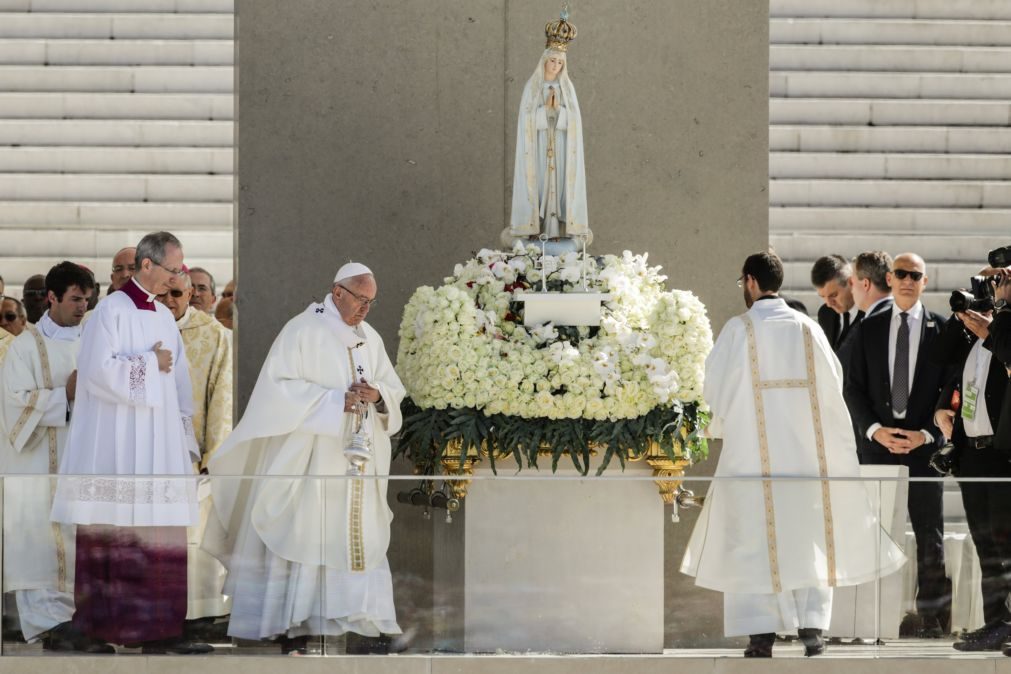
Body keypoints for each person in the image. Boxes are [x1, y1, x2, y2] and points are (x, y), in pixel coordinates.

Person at [681, 251, 905, 658]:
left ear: (750, 281)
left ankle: (760, 635)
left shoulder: (739, 329)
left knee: (753, 541)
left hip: (752, 461)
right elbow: (835, 392)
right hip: (807, 462)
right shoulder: (809, 329)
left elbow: (712, 392)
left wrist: (716, 428)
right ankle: (812, 629)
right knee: (808, 539)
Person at [207, 262, 405, 654]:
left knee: (355, 536)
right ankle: (297, 621)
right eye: (360, 299)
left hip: (357, 462)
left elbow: (392, 387)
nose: (365, 308)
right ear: (337, 292)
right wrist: (334, 401)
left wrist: (377, 396)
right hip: (312, 457)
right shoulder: (303, 330)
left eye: (371, 301)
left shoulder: (370, 337)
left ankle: (358, 620)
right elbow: (277, 389)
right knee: (306, 533)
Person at [49, 232, 210, 654]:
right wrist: (147, 363)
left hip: (157, 446)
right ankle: (101, 628)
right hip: (118, 444)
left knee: (161, 536)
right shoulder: (110, 312)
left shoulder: (161, 314)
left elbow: (178, 383)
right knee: (115, 534)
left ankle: (161, 630)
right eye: (173, 269)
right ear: (146, 265)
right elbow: (97, 373)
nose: (178, 277)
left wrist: (183, 439)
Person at [844, 253, 952, 637]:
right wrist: (875, 430)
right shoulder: (868, 328)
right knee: (871, 531)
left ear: (925, 281)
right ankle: (869, 616)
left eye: (916, 275)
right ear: (890, 278)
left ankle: (931, 618)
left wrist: (926, 434)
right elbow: (851, 386)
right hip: (877, 447)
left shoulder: (942, 329)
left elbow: (951, 391)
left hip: (923, 448)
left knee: (930, 536)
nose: (908, 280)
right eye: (901, 274)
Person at [0, 263, 106, 652]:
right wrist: (66, 395)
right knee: (41, 542)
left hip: (86, 461)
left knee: (82, 539)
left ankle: (82, 620)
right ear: (52, 298)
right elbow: (14, 407)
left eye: (87, 298)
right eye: (76, 299)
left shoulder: (97, 341)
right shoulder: (25, 347)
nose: (83, 306)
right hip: (38, 465)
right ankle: (50, 624)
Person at [932, 274, 1011, 651]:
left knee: (1005, 546)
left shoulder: (1004, 338)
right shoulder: (971, 341)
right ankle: (995, 622)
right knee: (985, 546)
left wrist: (998, 322)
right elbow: (947, 370)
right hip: (972, 455)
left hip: (1001, 455)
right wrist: (939, 411)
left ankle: (1006, 623)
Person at [156, 272, 234, 632]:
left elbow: (222, 397)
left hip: (192, 456)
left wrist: (213, 455)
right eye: (164, 294)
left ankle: (198, 614)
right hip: (149, 453)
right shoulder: (141, 327)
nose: (170, 301)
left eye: (177, 294)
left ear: (189, 294)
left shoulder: (214, 334)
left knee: (194, 538)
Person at [504, 14, 589, 249]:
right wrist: (544, 112)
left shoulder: (567, 89)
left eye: (560, 63)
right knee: (540, 183)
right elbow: (526, 121)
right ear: (544, 61)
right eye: (552, 61)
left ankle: (558, 231)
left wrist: (559, 112)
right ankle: (536, 229)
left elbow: (574, 122)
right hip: (539, 146)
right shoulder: (532, 88)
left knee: (559, 184)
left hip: (560, 146)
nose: (556, 66)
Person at [811, 255, 858, 351]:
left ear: (851, 283)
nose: (829, 303)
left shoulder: (869, 314)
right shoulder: (825, 313)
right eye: (823, 297)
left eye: (833, 295)